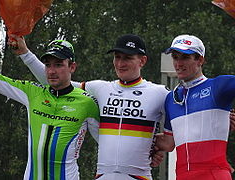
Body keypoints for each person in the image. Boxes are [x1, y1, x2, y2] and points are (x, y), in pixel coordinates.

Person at [12, 34, 169, 180]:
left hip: (138, 176)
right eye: (117, 57)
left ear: (142, 61)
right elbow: (56, 80)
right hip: (103, 176)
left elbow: (178, 132)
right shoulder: (100, 88)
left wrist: (157, 144)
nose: (120, 63)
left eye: (127, 58)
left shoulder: (159, 93)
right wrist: (25, 54)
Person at [1, 38, 100, 180]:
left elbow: (106, 143)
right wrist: (23, 52)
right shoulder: (33, 92)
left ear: (72, 67)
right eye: (48, 65)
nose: (52, 71)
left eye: (59, 65)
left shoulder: (87, 102)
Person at [155, 34, 234, 180]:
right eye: (175, 57)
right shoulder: (171, 98)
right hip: (182, 176)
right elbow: (168, 143)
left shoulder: (218, 86)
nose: (178, 63)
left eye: (185, 57)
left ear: (200, 60)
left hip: (213, 174)